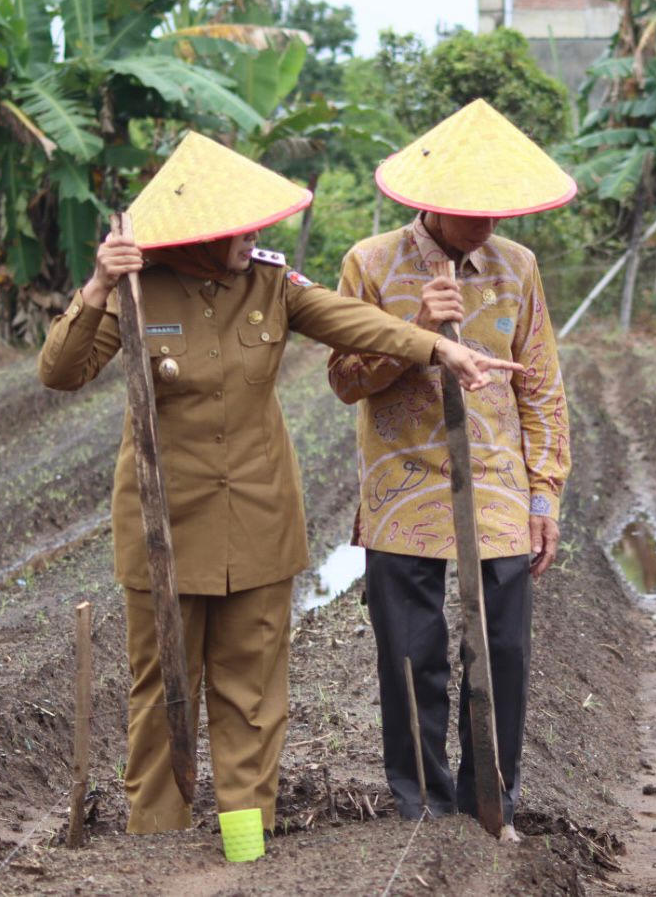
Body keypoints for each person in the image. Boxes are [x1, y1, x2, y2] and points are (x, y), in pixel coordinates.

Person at [38, 131, 519, 835]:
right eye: (240, 225)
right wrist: (101, 284)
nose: (255, 235)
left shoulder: (270, 282)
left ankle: (242, 840)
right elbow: (61, 370)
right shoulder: (140, 286)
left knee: (252, 694)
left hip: (260, 522)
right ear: (199, 231)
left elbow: (351, 321)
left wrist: (435, 343)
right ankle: (157, 843)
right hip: (164, 526)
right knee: (161, 689)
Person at [326, 99, 573, 841]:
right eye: (470, 210)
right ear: (429, 201)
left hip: (497, 487)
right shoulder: (371, 264)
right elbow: (344, 379)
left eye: (496, 209)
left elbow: (542, 387)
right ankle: (422, 806)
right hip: (404, 488)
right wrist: (419, 333)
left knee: (501, 652)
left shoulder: (516, 266)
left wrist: (545, 494)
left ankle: (491, 798)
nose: (485, 223)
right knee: (411, 652)